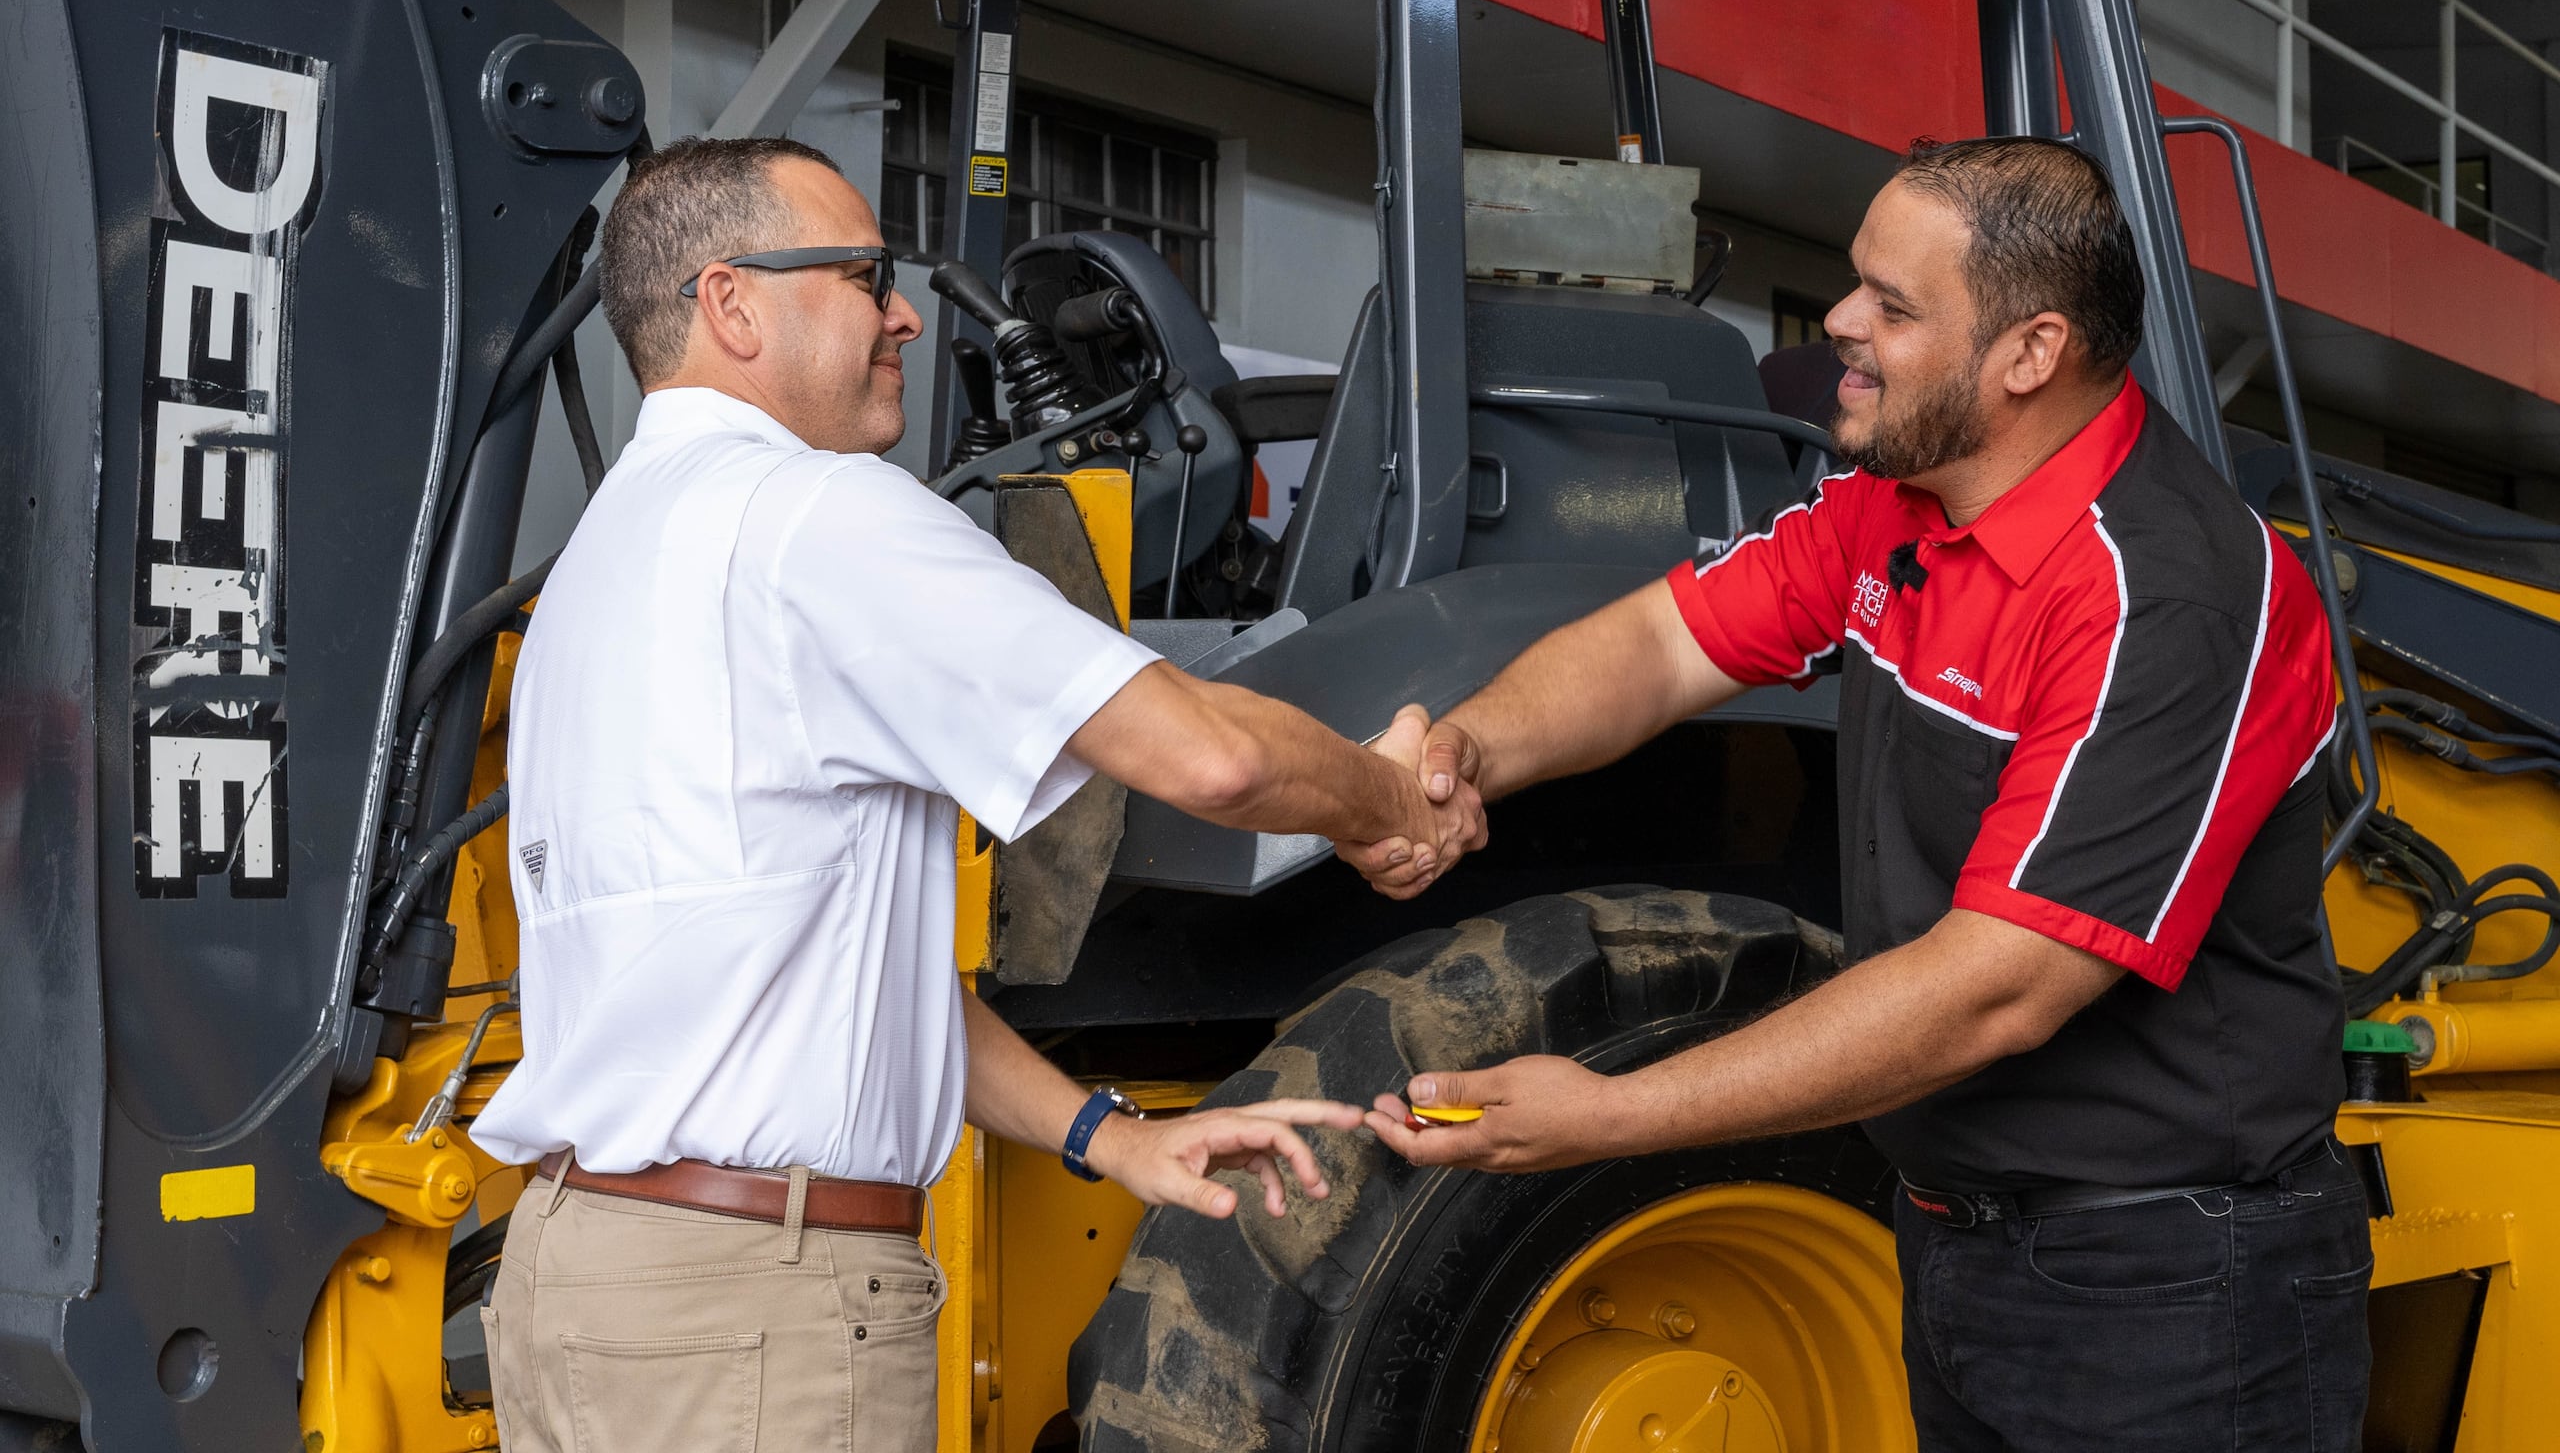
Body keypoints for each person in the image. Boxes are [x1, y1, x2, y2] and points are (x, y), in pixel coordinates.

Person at [474, 135, 1484, 1453]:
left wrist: (1110, 1138)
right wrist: (1386, 799)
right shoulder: (818, 518)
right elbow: (1211, 758)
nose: (903, 314)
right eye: (860, 275)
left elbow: (842, 985)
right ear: (731, 305)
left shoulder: (601, 563)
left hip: (584, 1282)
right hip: (752, 1318)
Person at [1366, 137, 2369, 1452]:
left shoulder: (2160, 595)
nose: (1839, 321)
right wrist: (1467, 750)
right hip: (1963, 1242)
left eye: (1892, 306)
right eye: (1856, 285)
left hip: (2173, 1289)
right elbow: (1666, 645)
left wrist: (1610, 1114)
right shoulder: (1897, 503)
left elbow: (2000, 983)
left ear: (2030, 352)